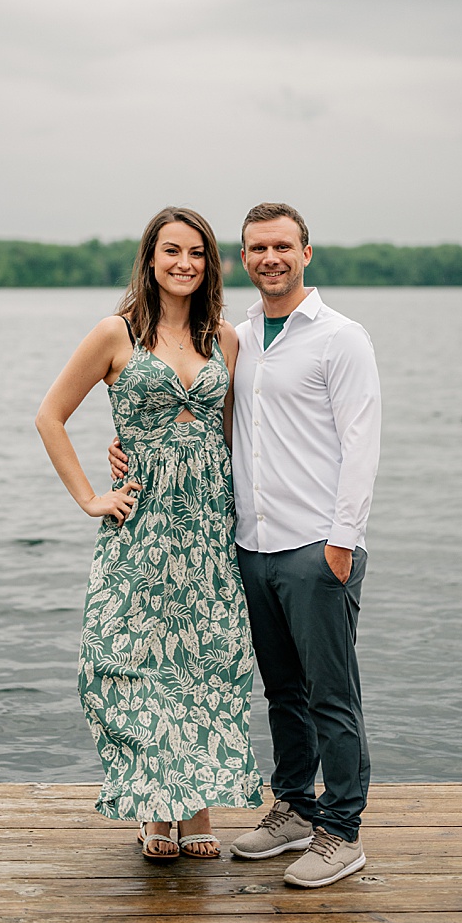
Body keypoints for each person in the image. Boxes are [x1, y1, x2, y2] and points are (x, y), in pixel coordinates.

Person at [115, 201, 380, 887]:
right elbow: (204, 424)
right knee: (282, 691)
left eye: (283, 246)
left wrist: (342, 544)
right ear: (242, 259)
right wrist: (129, 448)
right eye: (257, 248)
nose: (270, 258)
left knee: (332, 694)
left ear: (306, 253)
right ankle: (293, 806)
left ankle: (342, 831)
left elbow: (362, 444)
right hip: (249, 547)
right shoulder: (235, 337)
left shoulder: (340, 338)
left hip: (317, 546)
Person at [36, 206, 261, 862]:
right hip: (142, 530)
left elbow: (226, 437)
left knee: (204, 668)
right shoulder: (116, 334)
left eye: (196, 252)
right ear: (151, 258)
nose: (184, 263)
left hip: (208, 534)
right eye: (172, 251)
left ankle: (196, 808)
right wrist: (89, 496)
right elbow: (50, 416)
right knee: (134, 666)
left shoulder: (225, 339)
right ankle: (154, 809)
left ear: (209, 263)